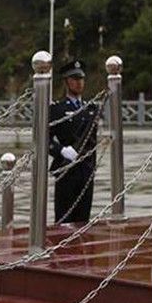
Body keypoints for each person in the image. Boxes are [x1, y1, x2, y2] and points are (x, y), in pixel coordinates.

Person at [49, 59, 100, 223]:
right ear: (66, 82)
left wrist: (92, 167)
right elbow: (44, 140)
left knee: (83, 219)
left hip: (86, 170)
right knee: (64, 219)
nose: (79, 83)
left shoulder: (91, 109)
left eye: (81, 79)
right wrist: (61, 151)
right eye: (75, 79)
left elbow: (93, 142)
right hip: (67, 169)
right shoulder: (57, 109)